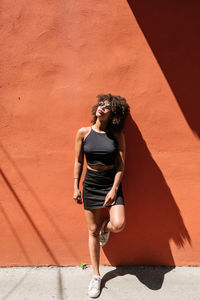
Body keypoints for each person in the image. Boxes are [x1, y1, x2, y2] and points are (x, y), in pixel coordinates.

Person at [73, 93, 130, 298]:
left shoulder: (117, 135)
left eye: (107, 107)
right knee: (92, 231)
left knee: (119, 224)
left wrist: (114, 188)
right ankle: (96, 276)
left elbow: (121, 166)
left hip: (111, 181)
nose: (102, 108)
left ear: (113, 114)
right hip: (91, 183)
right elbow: (79, 161)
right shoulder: (83, 132)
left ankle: (106, 227)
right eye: (101, 104)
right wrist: (75, 186)